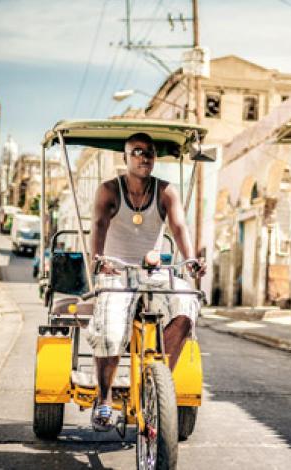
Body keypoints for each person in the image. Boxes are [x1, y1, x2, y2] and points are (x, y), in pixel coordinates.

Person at [87, 132, 206, 431]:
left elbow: (179, 226)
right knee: (110, 329)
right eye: (137, 152)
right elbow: (99, 225)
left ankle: (157, 379)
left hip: (154, 272)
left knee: (186, 304)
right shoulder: (109, 190)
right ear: (125, 158)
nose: (144, 157)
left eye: (149, 152)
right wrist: (98, 260)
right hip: (116, 270)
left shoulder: (166, 191)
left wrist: (190, 259)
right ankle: (103, 399)